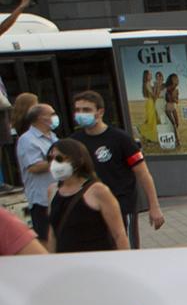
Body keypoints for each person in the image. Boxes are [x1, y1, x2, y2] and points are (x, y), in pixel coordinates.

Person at [68, 92, 163, 248]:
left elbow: (143, 173)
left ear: (100, 112)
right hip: (92, 208)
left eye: (86, 110)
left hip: (122, 205)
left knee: (126, 248)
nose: (81, 114)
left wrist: (154, 206)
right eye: (78, 110)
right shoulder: (74, 142)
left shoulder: (120, 139)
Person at [43, 137, 130, 252]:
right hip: (66, 262)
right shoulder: (52, 191)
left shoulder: (98, 190)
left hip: (96, 259)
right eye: (50, 159)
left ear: (78, 159)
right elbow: (52, 232)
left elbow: (119, 234)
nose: (54, 164)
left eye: (59, 158)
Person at [14, 99, 57, 239]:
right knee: (47, 240)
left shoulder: (53, 137)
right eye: (51, 114)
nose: (55, 117)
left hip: (58, 197)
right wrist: (62, 161)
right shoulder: (27, 140)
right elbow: (34, 167)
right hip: (42, 200)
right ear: (40, 118)